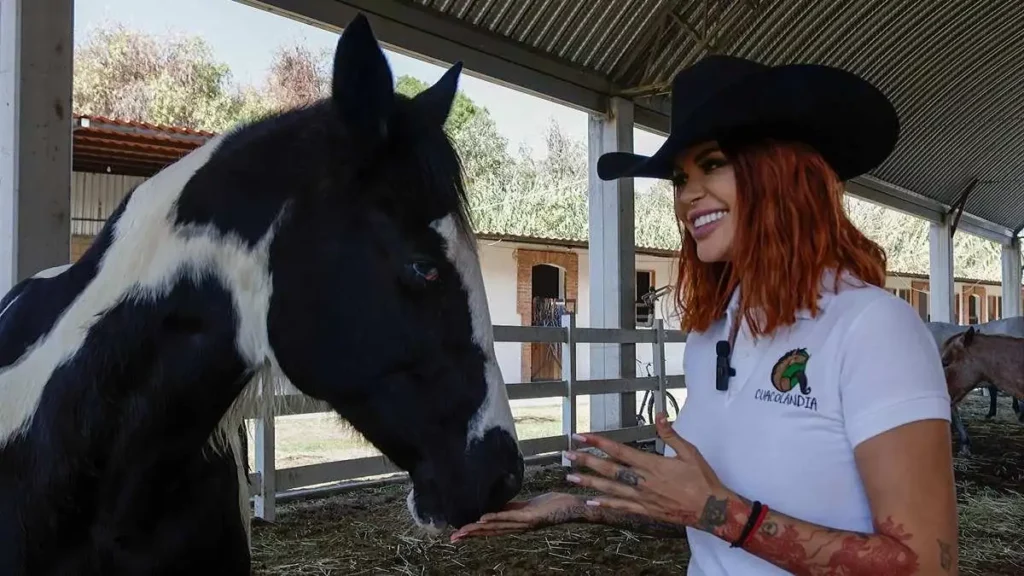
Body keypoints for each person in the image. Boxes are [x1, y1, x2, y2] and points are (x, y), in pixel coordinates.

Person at [451, 54, 959, 575]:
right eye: (678, 177)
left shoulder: (874, 329)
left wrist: (724, 516)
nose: (688, 195)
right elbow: (690, 504)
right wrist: (572, 507)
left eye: (713, 163)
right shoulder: (712, 335)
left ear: (783, 174)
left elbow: (924, 565)